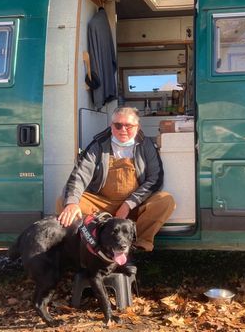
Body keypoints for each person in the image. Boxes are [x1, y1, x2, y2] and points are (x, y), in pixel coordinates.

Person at [57, 106, 175, 251]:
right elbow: (79, 176)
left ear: (137, 127)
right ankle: (91, 244)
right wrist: (72, 203)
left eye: (128, 126)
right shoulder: (98, 145)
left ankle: (137, 243)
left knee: (166, 201)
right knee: (64, 201)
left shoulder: (146, 145)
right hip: (102, 205)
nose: (122, 129)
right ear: (111, 126)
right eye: (118, 125)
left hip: (135, 205)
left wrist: (128, 204)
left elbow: (155, 179)